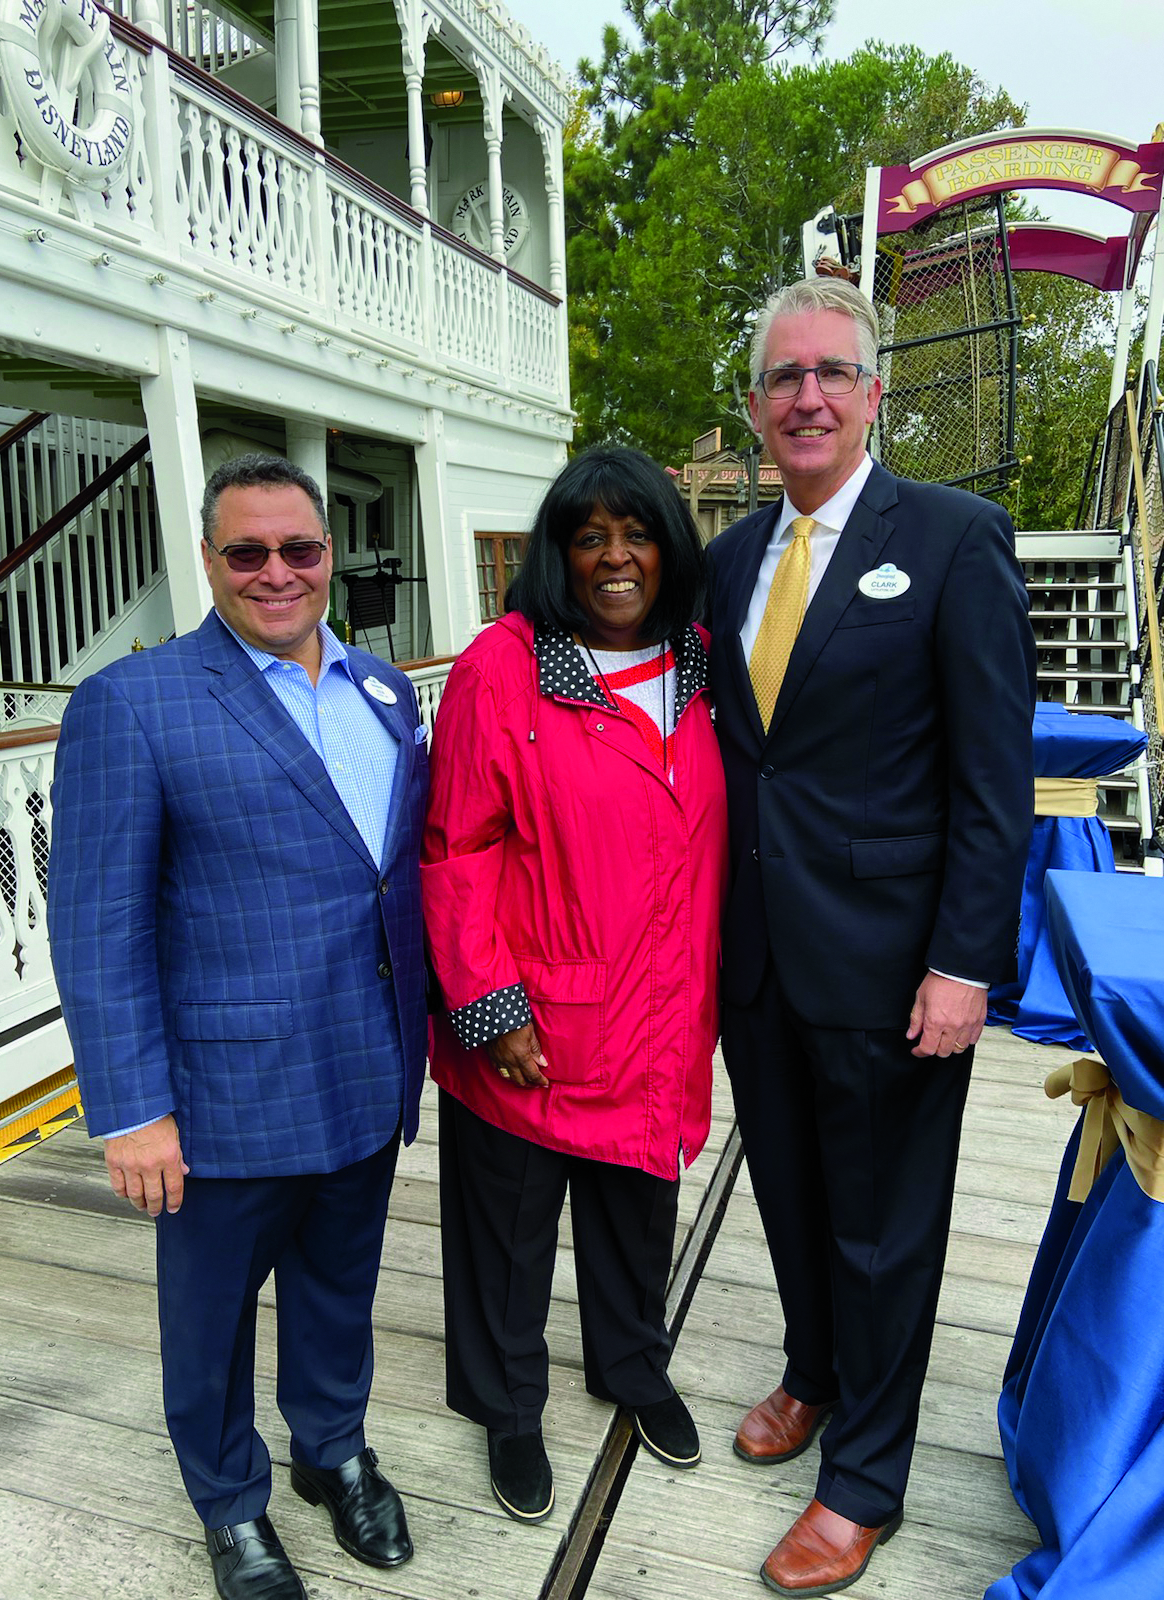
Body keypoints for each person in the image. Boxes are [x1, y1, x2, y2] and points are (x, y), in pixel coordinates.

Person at [47, 454, 428, 1600]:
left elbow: (387, 880)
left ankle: (331, 1450)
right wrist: (131, 1108)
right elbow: (97, 919)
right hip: (221, 1093)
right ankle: (229, 1502)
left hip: (365, 1061)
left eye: (299, 549)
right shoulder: (135, 702)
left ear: (329, 558)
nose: (277, 571)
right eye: (247, 551)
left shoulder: (382, 689)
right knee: (209, 1318)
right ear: (209, 562)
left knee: (338, 1287)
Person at [706, 278, 1035, 1598]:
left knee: (887, 1227)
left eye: (832, 372)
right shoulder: (729, 559)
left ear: (874, 391)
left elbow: (991, 780)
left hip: (897, 966)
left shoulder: (954, 539)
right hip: (760, 955)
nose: (808, 397)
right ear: (755, 407)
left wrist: (965, 962)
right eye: (784, 378)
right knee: (789, 1195)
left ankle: (865, 1478)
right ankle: (815, 1372)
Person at [421, 446, 728, 1525]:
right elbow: (457, 850)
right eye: (588, 535)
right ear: (557, 553)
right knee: (509, 1233)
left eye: (635, 532)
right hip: (533, 1021)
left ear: (666, 547)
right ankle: (508, 1403)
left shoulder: (698, 663)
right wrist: (491, 1007)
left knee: (639, 1214)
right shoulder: (506, 668)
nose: (613, 556)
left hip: (658, 1011)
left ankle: (631, 1366)